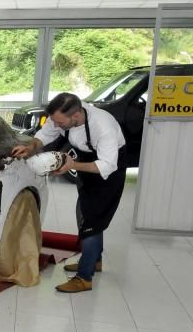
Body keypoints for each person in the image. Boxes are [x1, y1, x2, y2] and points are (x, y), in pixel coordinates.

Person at [10, 92, 127, 293]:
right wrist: (31, 148)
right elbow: (46, 134)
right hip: (87, 163)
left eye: (60, 122)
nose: (56, 125)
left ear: (75, 116)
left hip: (108, 170)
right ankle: (94, 260)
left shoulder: (102, 125)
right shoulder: (62, 117)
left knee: (91, 221)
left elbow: (107, 165)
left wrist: (72, 165)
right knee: (86, 212)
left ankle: (84, 277)